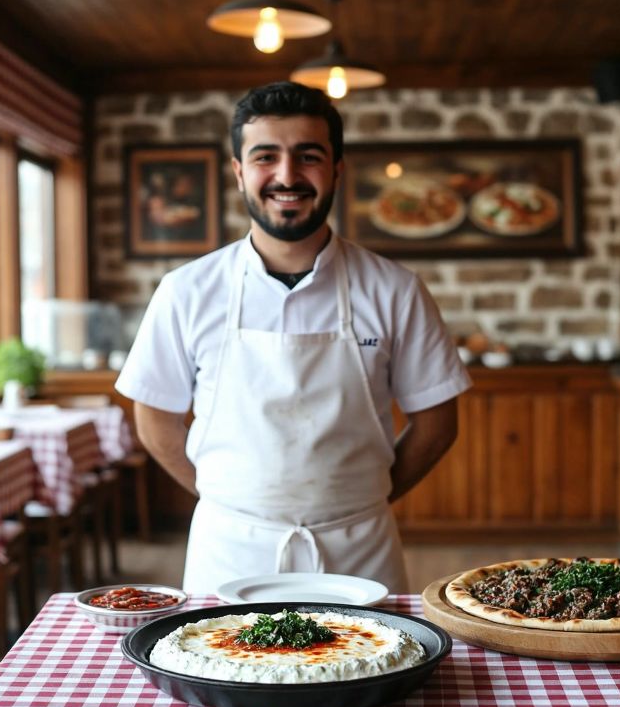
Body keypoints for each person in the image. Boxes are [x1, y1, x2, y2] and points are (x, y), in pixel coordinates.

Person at [115, 82, 470, 594]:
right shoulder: (186, 291)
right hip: (229, 550)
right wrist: (228, 497)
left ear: (336, 170)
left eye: (308, 156)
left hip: (358, 549)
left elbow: (437, 423)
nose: (287, 176)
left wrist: (360, 497)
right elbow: (153, 418)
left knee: (370, 673)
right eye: (266, 157)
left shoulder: (396, 290)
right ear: (239, 172)